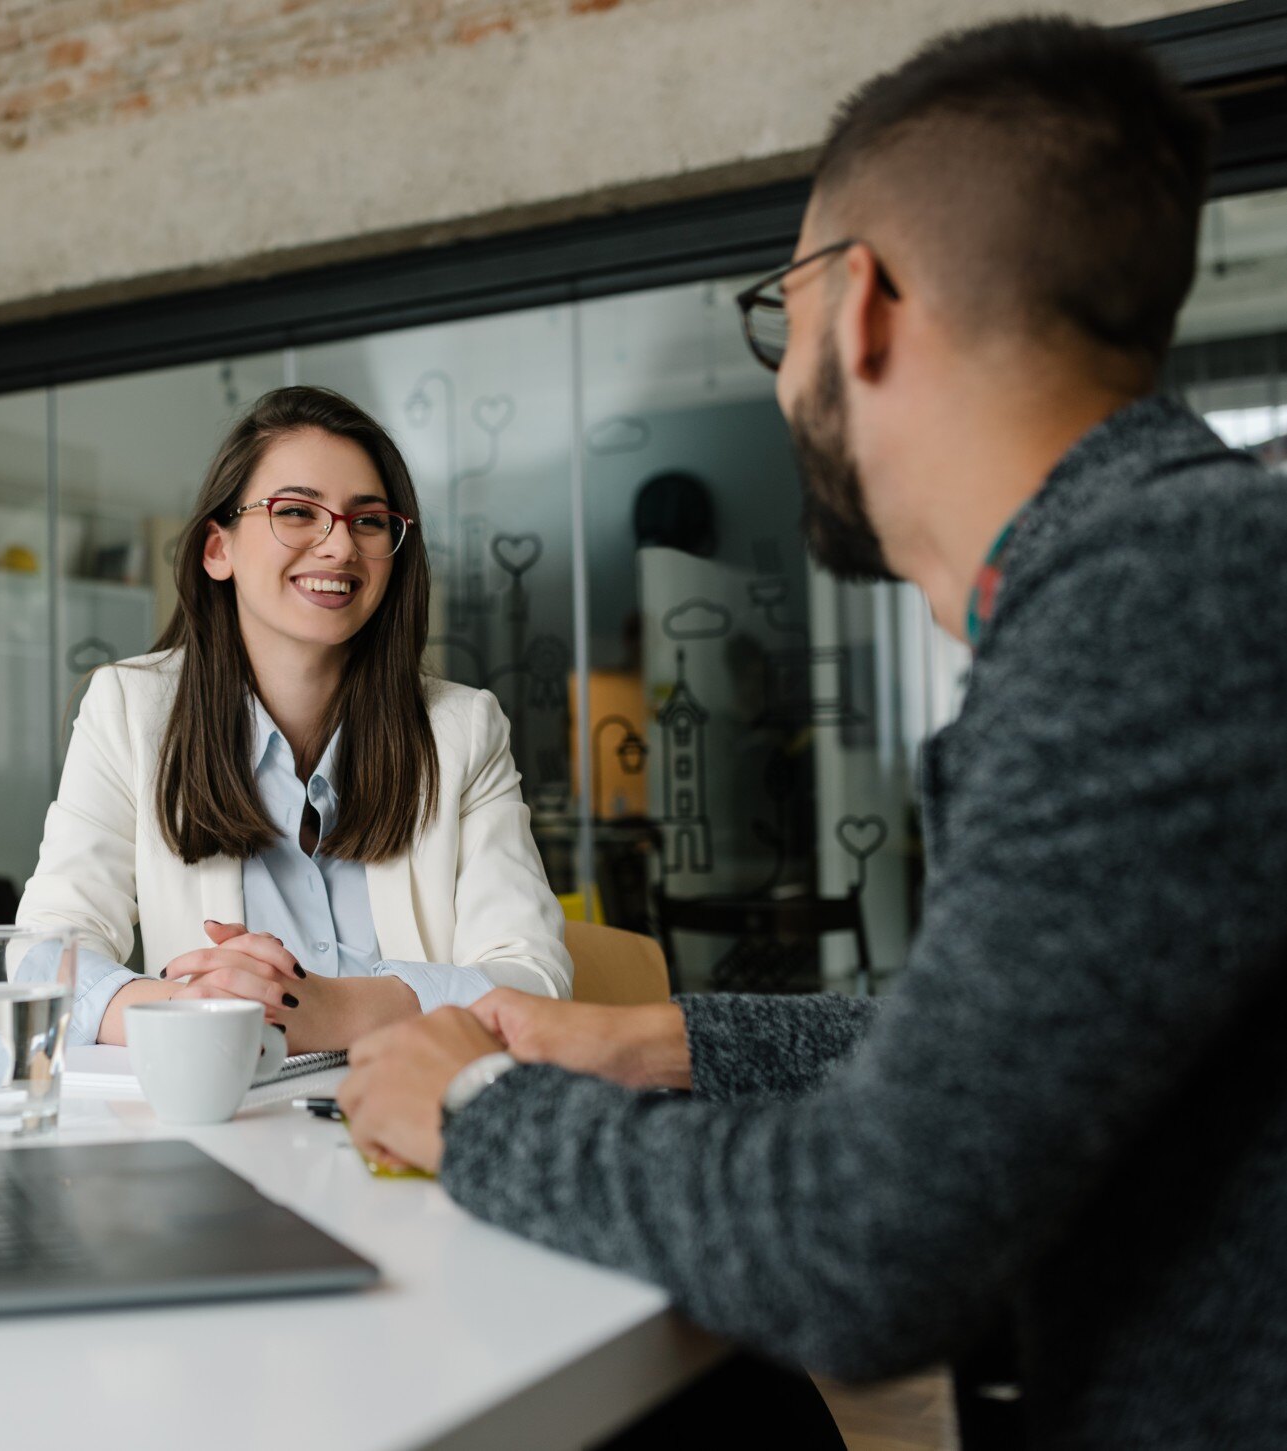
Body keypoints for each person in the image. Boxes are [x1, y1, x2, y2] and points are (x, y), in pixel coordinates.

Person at [340, 17, 1287, 1448]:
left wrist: (470, 1106)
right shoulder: (1178, 572)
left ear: (859, 306)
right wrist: (671, 1042)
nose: (784, 383)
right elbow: (979, 1057)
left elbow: (863, 1246)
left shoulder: (1155, 611)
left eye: (777, 318)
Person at [15, 386, 568, 1052]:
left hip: (418, 1119)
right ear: (216, 549)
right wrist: (199, 1005)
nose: (338, 546)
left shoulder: (464, 731)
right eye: (297, 512)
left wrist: (334, 1008)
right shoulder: (130, 711)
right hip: (227, 1123)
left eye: (367, 520)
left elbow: (534, 981)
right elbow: (43, 957)